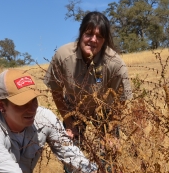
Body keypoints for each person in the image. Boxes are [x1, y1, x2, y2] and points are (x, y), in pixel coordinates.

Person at [44, 11, 133, 141]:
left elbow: (121, 99)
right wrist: (68, 122)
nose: (93, 40)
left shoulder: (115, 64)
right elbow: (56, 90)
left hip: (104, 110)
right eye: (89, 34)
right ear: (81, 33)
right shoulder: (63, 56)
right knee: (70, 153)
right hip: (73, 108)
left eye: (99, 36)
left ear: (105, 41)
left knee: (108, 154)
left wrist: (111, 130)